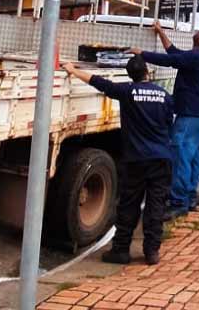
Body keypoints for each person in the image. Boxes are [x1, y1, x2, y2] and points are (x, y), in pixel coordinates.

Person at [62, 55, 174, 266]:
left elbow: (99, 83)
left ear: (130, 75)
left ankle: (121, 250)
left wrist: (73, 70)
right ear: (147, 73)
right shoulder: (164, 96)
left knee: (129, 205)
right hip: (161, 158)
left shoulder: (127, 91)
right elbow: (169, 123)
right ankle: (151, 251)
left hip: (136, 159)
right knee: (156, 206)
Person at [130, 21, 199, 220]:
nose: (198, 31)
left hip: (188, 115)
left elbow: (168, 60)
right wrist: (161, 32)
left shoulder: (196, 57)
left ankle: (178, 202)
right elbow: (173, 53)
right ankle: (188, 197)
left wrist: (141, 54)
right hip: (196, 115)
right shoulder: (198, 57)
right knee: (193, 157)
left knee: (180, 157)